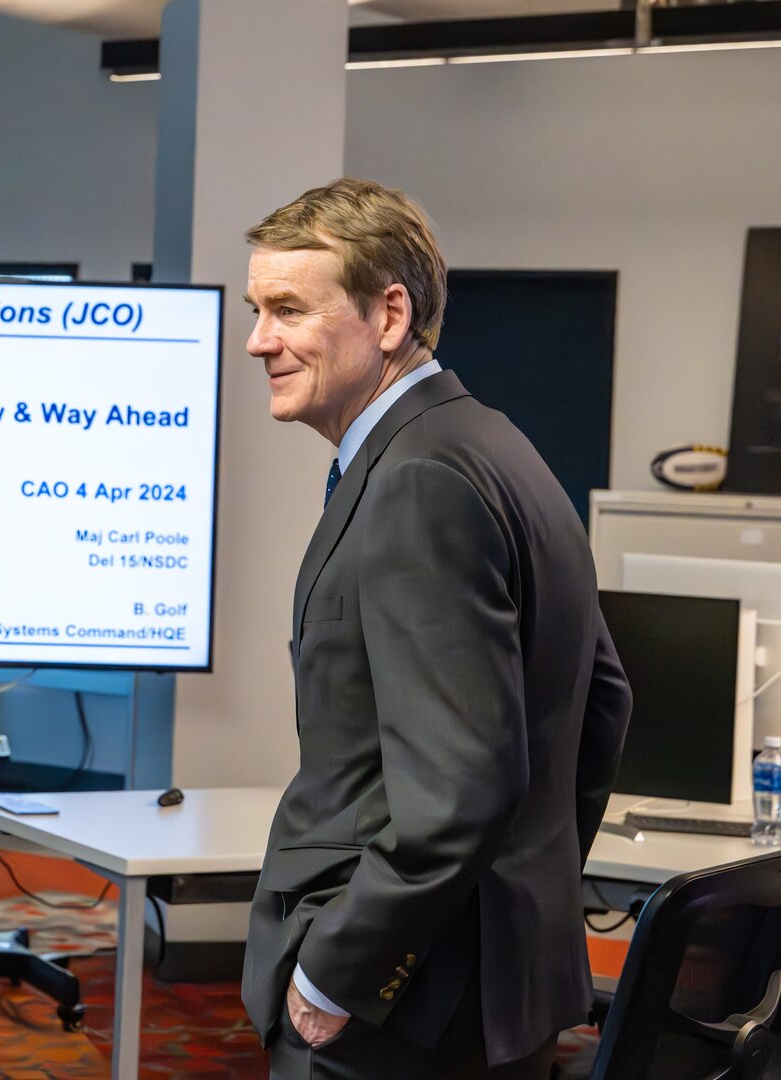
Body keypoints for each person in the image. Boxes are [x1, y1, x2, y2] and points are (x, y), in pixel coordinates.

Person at [237, 178, 633, 1079]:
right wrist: (522, 885)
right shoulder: (494, 444)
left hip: (402, 1010)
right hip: (485, 988)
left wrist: (342, 972)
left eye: (289, 309)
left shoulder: (420, 482)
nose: (260, 340)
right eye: (258, 310)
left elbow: (462, 788)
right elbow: (605, 701)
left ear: (389, 314)